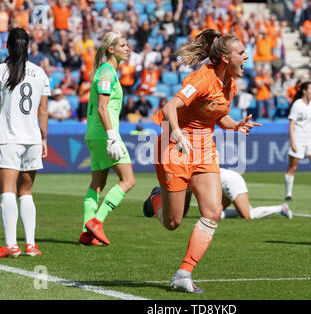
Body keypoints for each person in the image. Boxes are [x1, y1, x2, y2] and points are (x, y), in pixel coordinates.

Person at [142, 29, 261, 293]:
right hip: (174, 147)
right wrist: (175, 131)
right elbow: (169, 107)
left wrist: (235, 125)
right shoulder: (201, 78)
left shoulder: (230, 83)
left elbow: (216, 116)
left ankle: (183, 273)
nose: (246, 56)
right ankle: (155, 199)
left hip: (205, 150)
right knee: (172, 222)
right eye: (241, 52)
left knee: (213, 211)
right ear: (225, 58)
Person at [0, 28, 50, 258]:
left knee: (7, 191)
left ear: (7, 46)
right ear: (28, 46)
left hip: (9, 139)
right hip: (33, 139)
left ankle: (11, 245)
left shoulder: (0, 70)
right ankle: (31, 245)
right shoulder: (40, 73)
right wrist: (44, 138)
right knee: (26, 192)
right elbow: (43, 110)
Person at [79, 31, 135, 247]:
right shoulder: (107, 72)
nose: (127, 48)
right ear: (110, 49)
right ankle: (97, 222)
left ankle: (87, 231)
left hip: (94, 134)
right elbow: (103, 107)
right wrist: (112, 136)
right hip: (104, 133)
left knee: (98, 183)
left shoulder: (106, 71)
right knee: (128, 180)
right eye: (123, 44)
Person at [159, 167, 292, 220]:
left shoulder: (187, 178)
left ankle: (281, 208)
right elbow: (183, 211)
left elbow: (183, 209)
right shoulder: (186, 178)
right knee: (212, 216)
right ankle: (243, 208)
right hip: (220, 186)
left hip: (231, 181)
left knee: (247, 215)